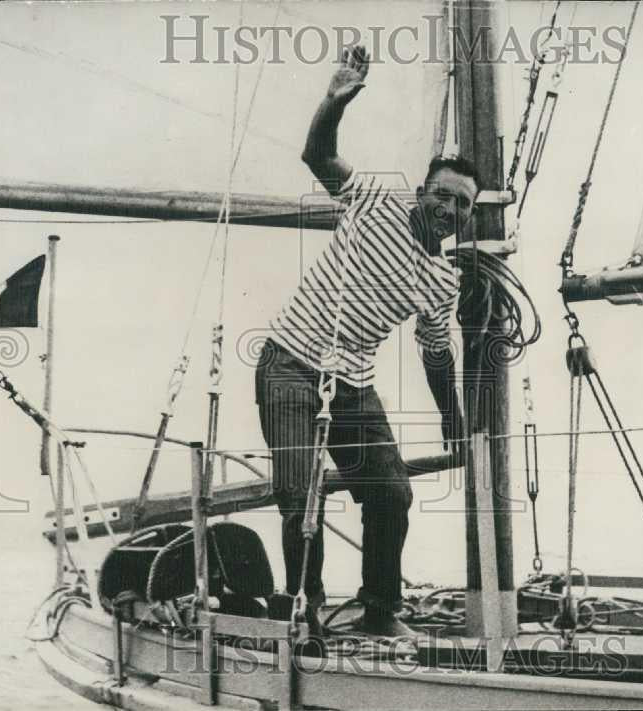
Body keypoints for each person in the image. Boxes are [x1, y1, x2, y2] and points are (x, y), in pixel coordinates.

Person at [255, 45, 478, 638]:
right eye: (443, 195)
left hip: (350, 383)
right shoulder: (376, 198)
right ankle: (306, 617)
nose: (450, 209)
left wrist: (451, 418)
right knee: (301, 497)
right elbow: (316, 154)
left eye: (463, 204)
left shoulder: (442, 279)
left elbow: (436, 353)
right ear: (422, 193)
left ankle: (380, 612)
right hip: (288, 365)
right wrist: (335, 100)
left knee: (392, 493)